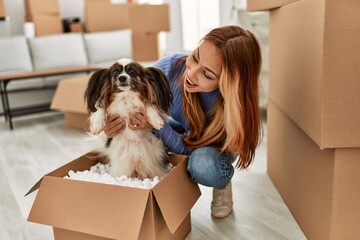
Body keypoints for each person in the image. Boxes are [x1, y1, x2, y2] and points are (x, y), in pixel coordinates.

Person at [104, 25, 263, 218]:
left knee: (205, 166)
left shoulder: (235, 108)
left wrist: (158, 126)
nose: (192, 73)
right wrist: (114, 122)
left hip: (210, 147)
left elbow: (191, 150)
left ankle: (222, 181)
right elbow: (132, 98)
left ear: (228, 83)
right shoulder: (170, 67)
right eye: (195, 57)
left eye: (207, 74)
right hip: (181, 130)